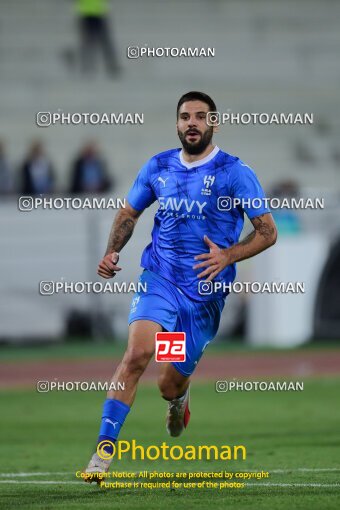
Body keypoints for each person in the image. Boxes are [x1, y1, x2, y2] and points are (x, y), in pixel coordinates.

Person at [83, 91, 277, 482]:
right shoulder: (158, 167)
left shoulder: (235, 172)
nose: (192, 123)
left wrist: (228, 256)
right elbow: (129, 212)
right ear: (176, 123)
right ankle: (102, 453)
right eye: (185, 116)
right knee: (137, 354)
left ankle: (179, 398)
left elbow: (267, 233)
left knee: (167, 382)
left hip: (204, 294)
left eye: (201, 117)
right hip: (160, 278)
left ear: (213, 123)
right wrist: (111, 252)